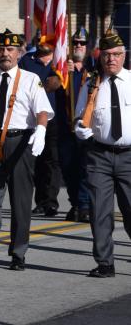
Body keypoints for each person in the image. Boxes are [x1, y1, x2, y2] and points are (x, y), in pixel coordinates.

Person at [0, 29, 53, 273]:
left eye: (10, 50)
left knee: (20, 201)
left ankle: (18, 252)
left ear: (20, 53)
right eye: (1, 49)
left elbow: (41, 110)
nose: (5, 54)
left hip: (20, 143)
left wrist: (40, 130)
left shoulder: (30, 79)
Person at [73, 29, 131, 278]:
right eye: (107, 55)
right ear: (101, 57)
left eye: (117, 54)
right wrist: (80, 130)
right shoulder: (91, 85)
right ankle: (105, 262)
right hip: (100, 156)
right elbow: (78, 119)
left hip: (129, 156)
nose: (112, 60)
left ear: (124, 56)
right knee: (100, 212)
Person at [18, 43, 64, 218]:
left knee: (52, 161)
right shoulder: (27, 62)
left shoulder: (58, 63)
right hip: (33, 118)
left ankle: (51, 202)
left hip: (53, 118)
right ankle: (40, 201)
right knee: (35, 161)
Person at [63, 28, 93, 222]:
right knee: (68, 168)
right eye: (75, 43)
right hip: (65, 126)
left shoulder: (94, 68)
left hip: (86, 127)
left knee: (85, 168)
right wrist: (65, 74)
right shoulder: (63, 68)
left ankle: (84, 205)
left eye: (82, 43)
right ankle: (75, 203)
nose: (79, 46)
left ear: (88, 46)